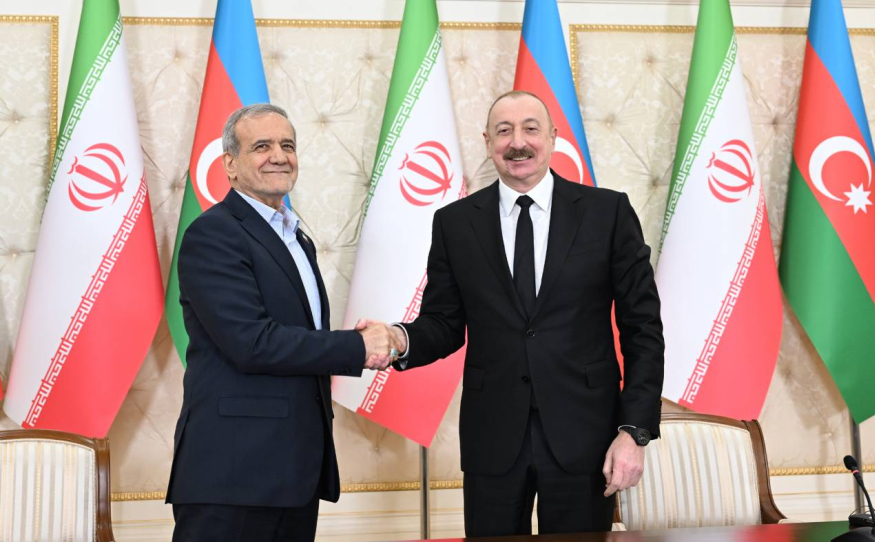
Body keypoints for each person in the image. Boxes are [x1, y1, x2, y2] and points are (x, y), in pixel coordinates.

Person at [365, 90, 664, 536]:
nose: (518, 142)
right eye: (504, 131)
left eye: (530, 129)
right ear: (488, 142)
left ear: (553, 137)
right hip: (493, 439)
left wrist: (634, 431)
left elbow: (643, 330)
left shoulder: (607, 213)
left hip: (585, 437)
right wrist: (399, 339)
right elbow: (444, 323)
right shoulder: (455, 223)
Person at [166, 103, 403, 542]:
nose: (279, 156)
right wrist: (357, 346)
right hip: (233, 475)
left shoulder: (295, 237)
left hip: (293, 473)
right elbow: (252, 342)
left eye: (287, 145)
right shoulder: (213, 233)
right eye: (262, 146)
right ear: (230, 164)